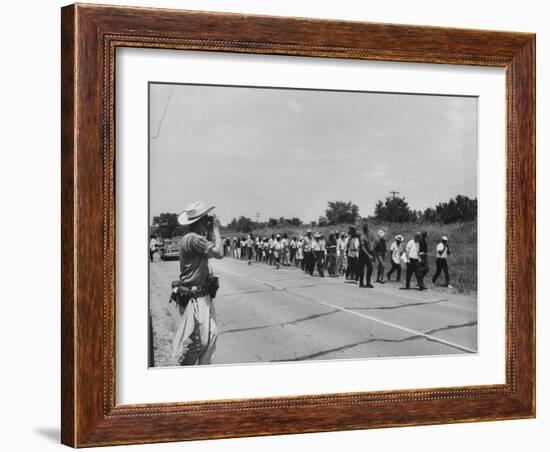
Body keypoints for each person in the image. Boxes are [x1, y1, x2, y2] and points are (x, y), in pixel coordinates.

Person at [171, 201, 223, 366]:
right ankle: (184, 371)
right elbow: (219, 253)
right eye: (205, 219)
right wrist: (215, 229)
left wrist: (209, 230)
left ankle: (202, 373)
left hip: (202, 295)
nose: (207, 221)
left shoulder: (194, 238)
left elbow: (210, 247)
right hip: (193, 298)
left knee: (212, 336)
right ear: (199, 221)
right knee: (199, 343)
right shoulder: (193, 239)